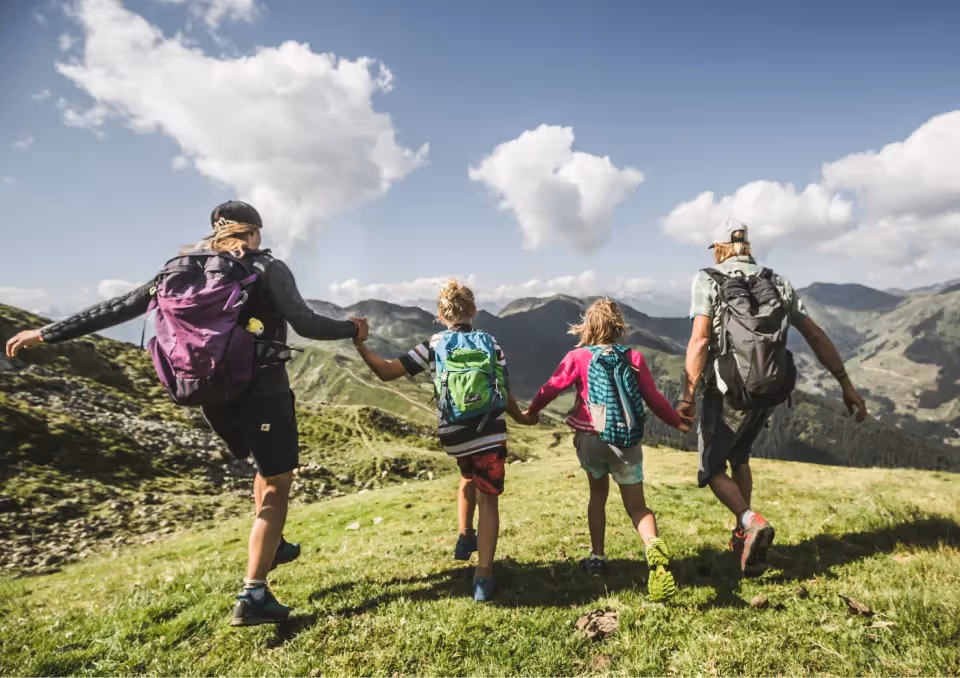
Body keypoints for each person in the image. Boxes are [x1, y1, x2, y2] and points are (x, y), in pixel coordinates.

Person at [5, 200, 368, 626]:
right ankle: (253, 595)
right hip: (262, 392)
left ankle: (275, 543)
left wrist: (45, 333)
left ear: (215, 232)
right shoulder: (266, 267)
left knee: (262, 469)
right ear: (254, 232)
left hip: (208, 394)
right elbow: (307, 324)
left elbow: (115, 308)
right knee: (278, 485)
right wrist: (353, 329)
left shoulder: (178, 270)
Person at [677, 217, 868, 577]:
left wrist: (687, 395)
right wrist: (845, 383)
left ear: (719, 246)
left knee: (713, 467)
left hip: (727, 390)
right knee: (741, 457)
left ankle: (749, 521)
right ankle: (746, 541)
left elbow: (700, 339)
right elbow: (813, 333)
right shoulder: (776, 281)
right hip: (769, 390)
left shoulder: (707, 278)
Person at [351, 278, 536, 602]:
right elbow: (503, 392)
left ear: (440, 313)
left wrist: (361, 344)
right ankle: (483, 577)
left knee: (469, 474)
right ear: (474, 310)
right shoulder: (491, 343)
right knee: (488, 499)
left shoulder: (435, 343)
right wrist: (522, 418)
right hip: (488, 430)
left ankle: (466, 536)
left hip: (454, 433)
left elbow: (388, 371)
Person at [523, 298, 692, 602]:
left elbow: (551, 387)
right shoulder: (634, 357)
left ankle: (598, 557)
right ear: (619, 327)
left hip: (591, 440)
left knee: (597, 496)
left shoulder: (577, 357)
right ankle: (652, 545)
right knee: (638, 507)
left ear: (587, 327)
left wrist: (532, 412)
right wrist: (676, 422)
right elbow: (653, 398)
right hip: (625, 442)